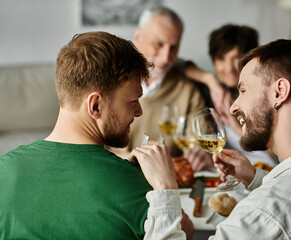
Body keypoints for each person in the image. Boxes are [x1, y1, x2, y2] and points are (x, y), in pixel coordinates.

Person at [131, 39, 291, 239]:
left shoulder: (260, 213)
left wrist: (164, 190)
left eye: (243, 91)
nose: (233, 107)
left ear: (279, 92)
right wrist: (256, 178)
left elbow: (283, 209)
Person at [0, 31, 192, 239]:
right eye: (133, 101)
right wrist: (165, 188)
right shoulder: (137, 186)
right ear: (96, 105)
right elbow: (183, 231)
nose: (139, 111)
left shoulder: (4, 172)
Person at [112, 6, 208, 164]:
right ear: (138, 37)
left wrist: (199, 154)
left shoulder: (187, 90)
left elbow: (201, 140)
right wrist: (133, 156)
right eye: (158, 44)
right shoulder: (112, 84)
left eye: (174, 47)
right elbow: (94, 147)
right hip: (118, 175)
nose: (166, 57)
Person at [184, 24, 278, 171]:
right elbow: (176, 66)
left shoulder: (266, 95)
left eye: (236, 58)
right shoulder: (214, 93)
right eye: (221, 59)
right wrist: (210, 79)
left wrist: (239, 130)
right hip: (230, 174)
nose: (228, 68)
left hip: (269, 172)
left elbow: (280, 153)